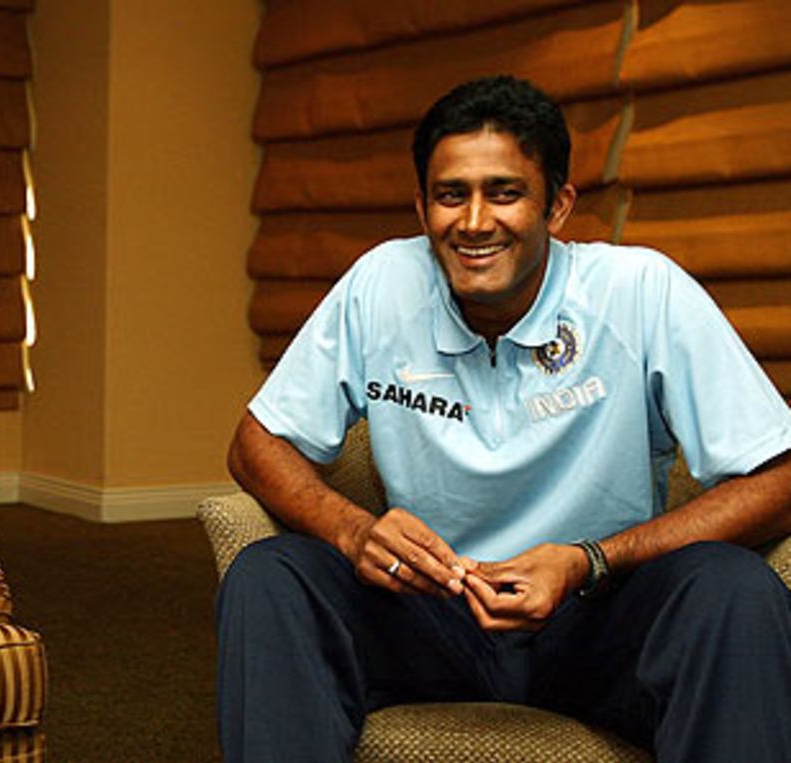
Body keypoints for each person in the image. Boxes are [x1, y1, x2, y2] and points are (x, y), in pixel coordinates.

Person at [218, 75, 791, 762]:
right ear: (422, 205)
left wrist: (591, 561)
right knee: (271, 574)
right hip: (431, 609)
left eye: (506, 192)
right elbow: (255, 444)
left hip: (598, 614)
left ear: (557, 205)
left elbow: (779, 477)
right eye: (451, 194)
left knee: (732, 589)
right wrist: (354, 531)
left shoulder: (641, 290)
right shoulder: (381, 283)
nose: (474, 221)